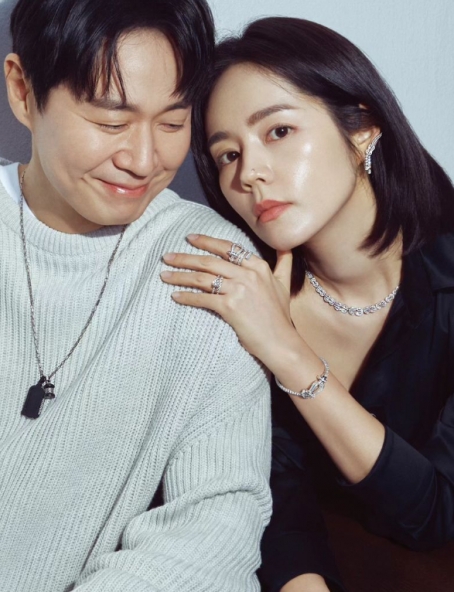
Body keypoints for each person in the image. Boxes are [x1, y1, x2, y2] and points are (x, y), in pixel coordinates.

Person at [0, 1, 273, 590]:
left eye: (173, 123)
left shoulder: (210, 263)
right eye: (110, 121)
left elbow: (217, 523)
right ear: (23, 91)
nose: (143, 161)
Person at [160, 16, 454, 592]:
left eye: (278, 131)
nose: (250, 174)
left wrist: (289, 354)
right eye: (227, 155)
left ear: (362, 129)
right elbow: (268, 492)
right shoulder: (246, 291)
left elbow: (435, 512)